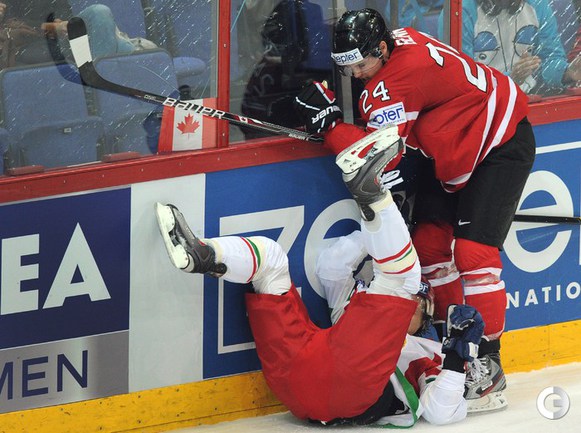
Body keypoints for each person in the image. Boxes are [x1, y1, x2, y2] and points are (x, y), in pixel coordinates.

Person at [154, 126, 484, 426]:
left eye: (419, 305)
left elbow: (440, 412)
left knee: (401, 278)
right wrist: (380, 232)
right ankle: (203, 254)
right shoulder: (354, 306)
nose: (412, 306)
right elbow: (332, 265)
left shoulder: (427, 350)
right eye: (416, 301)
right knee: (269, 259)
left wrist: (456, 360)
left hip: (350, 393)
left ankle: (370, 189)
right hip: (297, 373)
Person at [293, 8, 537, 412]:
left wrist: (331, 125)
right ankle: (451, 345)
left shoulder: (394, 82)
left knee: (474, 254)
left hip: (499, 143)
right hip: (454, 150)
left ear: (382, 48)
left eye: (361, 64)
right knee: (428, 248)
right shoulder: (398, 41)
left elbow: (380, 156)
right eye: (347, 66)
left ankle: (487, 363)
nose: (355, 74)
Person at [451, 0, 581, 95]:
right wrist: (510, 79)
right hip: (481, 104)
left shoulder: (538, 5)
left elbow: (549, 59)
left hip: (527, 98)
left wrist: (567, 72)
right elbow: (463, 80)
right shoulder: (459, 11)